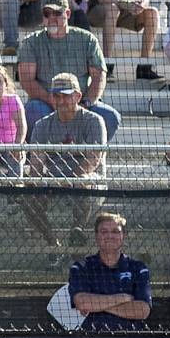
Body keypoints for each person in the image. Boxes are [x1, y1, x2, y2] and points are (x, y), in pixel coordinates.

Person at [21, 73, 108, 250]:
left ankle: (78, 230)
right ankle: (53, 242)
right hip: (54, 178)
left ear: (78, 96)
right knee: (25, 194)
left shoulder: (93, 121)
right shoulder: (42, 125)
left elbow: (93, 158)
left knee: (83, 181)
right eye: (56, 95)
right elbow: (37, 163)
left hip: (88, 178)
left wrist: (72, 179)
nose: (61, 100)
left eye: (66, 95)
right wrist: (35, 182)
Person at [18, 0, 119, 141]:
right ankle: (40, 157)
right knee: (32, 111)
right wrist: (54, 101)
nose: (52, 18)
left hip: (81, 102)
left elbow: (99, 77)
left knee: (110, 117)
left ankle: (89, 157)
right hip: (46, 103)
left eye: (57, 13)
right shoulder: (30, 42)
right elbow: (27, 81)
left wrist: (85, 103)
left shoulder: (87, 39)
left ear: (68, 13)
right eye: (47, 13)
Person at [68, 213, 152, 332]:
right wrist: (123, 298)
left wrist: (97, 305)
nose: (109, 236)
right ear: (96, 236)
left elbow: (142, 310)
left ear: (124, 235)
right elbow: (82, 303)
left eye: (115, 231)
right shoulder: (81, 267)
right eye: (104, 231)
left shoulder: (138, 268)